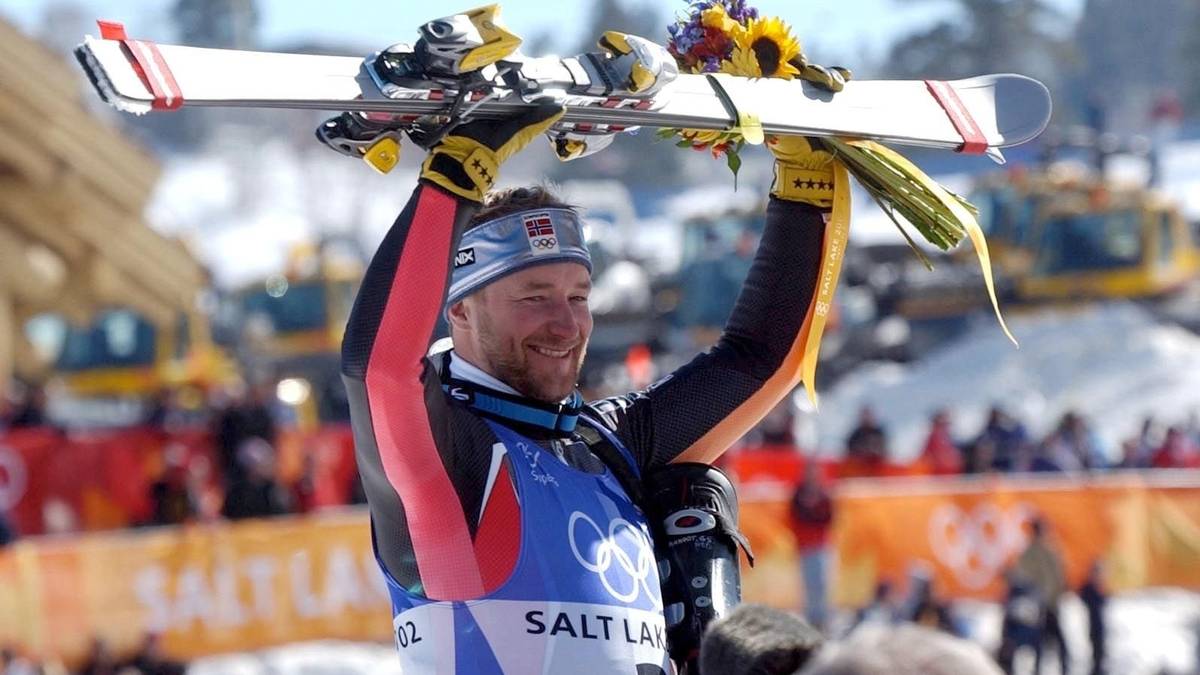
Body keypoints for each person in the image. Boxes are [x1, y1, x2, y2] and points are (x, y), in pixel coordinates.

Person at [342, 33, 831, 674]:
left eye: (578, 295)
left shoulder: (613, 443)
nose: (565, 323)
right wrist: (456, 177)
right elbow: (379, 371)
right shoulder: (456, 455)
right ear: (457, 309)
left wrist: (804, 184)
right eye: (534, 296)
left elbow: (761, 359)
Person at [1014, 516, 1070, 675]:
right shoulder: (1033, 552)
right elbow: (1024, 578)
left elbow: (1058, 577)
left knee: (1056, 644)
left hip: (1048, 606)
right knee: (1040, 645)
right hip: (1040, 606)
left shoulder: (1049, 551)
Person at [789, 461, 834, 629]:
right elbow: (795, 516)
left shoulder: (823, 493)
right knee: (809, 585)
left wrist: (813, 507)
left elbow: (828, 518)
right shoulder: (799, 493)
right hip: (805, 545)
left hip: (821, 544)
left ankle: (823, 620)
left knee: (822, 584)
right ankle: (811, 620)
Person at [1078, 561, 1108, 675]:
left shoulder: (1099, 587)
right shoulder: (1089, 588)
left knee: (1100, 653)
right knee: (1095, 652)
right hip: (1092, 625)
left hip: (1099, 625)